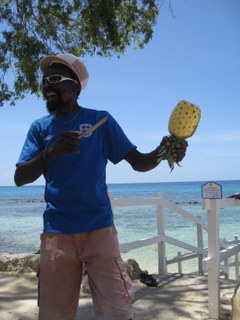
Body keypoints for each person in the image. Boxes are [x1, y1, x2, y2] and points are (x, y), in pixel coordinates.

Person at [14, 53, 187, 320]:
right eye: (45, 81)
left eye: (56, 79)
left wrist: (163, 152)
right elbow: (20, 177)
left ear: (75, 85)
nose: (48, 85)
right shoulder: (40, 128)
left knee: (116, 312)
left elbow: (138, 162)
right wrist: (52, 153)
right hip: (57, 233)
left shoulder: (101, 120)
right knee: (53, 315)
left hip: (99, 230)